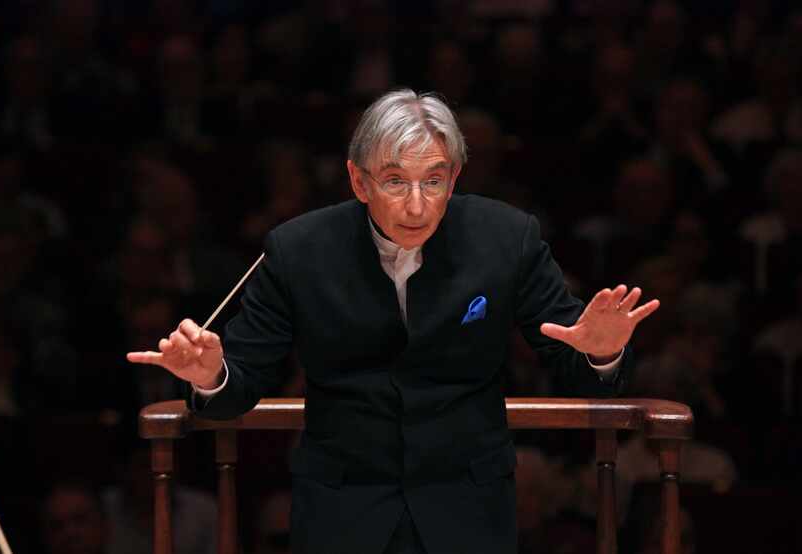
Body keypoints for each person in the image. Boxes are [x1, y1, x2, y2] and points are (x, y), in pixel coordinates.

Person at [127, 89, 659, 554]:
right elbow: (240, 379)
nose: (417, 206)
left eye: (434, 180)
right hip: (342, 512)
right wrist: (209, 374)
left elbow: (577, 367)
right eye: (395, 181)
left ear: (455, 177)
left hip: (468, 509)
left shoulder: (507, 238)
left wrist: (602, 352)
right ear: (359, 181)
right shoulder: (298, 250)